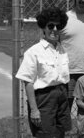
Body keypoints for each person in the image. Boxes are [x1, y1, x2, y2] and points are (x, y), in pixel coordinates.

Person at [16, 8, 71, 138]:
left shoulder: (62, 50)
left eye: (58, 26)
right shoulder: (34, 51)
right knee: (44, 134)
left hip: (62, 95)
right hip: (44, 99)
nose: (55, 29)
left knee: (60, 132)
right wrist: (34, 110)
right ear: (44, 27)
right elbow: (28, 82)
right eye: (51, 25)